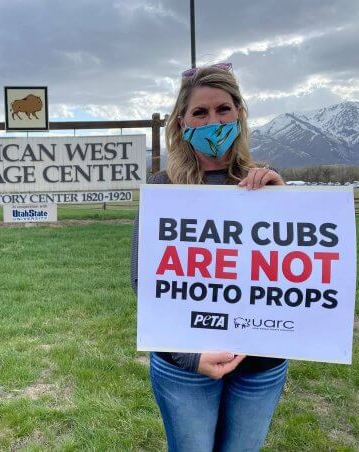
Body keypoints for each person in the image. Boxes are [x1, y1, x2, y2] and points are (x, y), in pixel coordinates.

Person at [130, 63, 288, 452]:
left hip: (260, 362)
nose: (213, 121)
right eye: (200, 112)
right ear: (182, 123)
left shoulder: (266, 182)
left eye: (223, 109)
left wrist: (286, 205)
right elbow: (144, 278)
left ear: (239, 113)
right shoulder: (163, 188)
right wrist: (188, 355)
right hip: (186, 364)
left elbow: (291, 274)